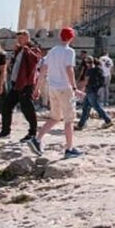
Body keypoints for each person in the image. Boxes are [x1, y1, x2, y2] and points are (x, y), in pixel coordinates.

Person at [29, 27, 83, 159]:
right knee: (69, 119)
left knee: (55, 117)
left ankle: (37, 139)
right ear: (71, 38)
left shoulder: (52, 51)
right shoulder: (69, 51)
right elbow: (69, 69)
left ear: (60, 37)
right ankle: (69, 149)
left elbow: (43, 70)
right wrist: (75, 88)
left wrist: (37, 88)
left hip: (52, 88)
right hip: (65, 88)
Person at [0, 30, 41, 141]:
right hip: (16, 83)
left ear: (27, 38)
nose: (19, 40)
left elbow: (35, 60)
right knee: (6, 106)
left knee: (27, 109)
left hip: (26, 84)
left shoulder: (33, 49)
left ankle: (33, 132)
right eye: (18, 38)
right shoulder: (19, 50)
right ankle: (5, 130)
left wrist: (26, 49)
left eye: (21, 38)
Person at [76, 55, 113, 130]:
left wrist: (78, 88)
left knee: (96, 107)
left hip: (90, 91)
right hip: (95, 90)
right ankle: (81, 124)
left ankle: (108, 120)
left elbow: (86, 81)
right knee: (85, 108)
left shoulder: (89, 70)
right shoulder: (98, 68)